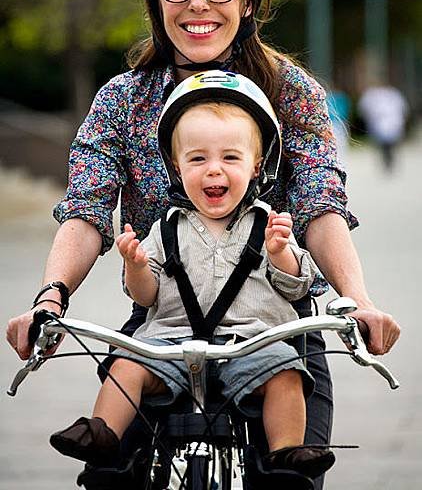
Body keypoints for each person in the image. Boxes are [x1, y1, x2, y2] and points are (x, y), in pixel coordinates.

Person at [6, 0, 400, 489]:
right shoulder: (122, 98)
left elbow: (321, 204)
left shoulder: (293, 92)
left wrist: (357, 300)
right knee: (107, 473)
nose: (197, 4)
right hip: (164, 322)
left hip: (276, 324)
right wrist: (50, 298)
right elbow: (87, 209)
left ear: (248, 0)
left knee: (291, 477)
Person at [49, 71, 335, 479]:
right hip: (172, 344)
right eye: (197, 159)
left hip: (254, 344)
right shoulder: (166, 228)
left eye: (230, 158)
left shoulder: (268, 224)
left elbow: (296, 285)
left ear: (257, 167)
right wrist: (135, 264)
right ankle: (102, 434)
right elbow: (146, 296)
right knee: (126, 362)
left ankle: (287, 452)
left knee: (288, 371)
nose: (213, 170)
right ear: (176, 168)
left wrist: (280, 254)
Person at [357, 84, 408, 171]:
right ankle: (387, 162)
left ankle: (389, 162)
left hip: (391, 125)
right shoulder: (373, 95)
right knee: (384, 146)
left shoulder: (392, 95)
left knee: (390, 145)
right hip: (382, 126)